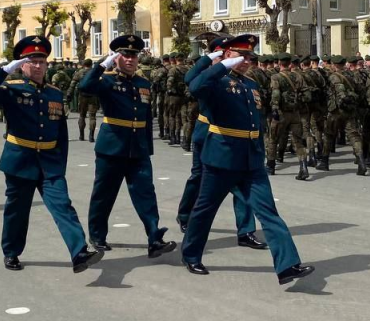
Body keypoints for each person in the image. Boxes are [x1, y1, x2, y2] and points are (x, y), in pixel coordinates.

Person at [179, 35, 314, 286]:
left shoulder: (251, 85)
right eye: (240, 56)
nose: (246, 61)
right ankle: (190, 255)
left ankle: (287, 265)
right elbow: (193, 85)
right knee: (204, 211)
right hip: (221, 158)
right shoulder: (215, 81)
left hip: (251, 161)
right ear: (226, 55)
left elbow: (255, 123)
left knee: (269, 213)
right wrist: (217, 63)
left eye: (249, 57)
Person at [0, 35, 102, 273]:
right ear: (22, 65)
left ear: (47, 64)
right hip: (20, 160)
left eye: (41, 61)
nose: (37, 65)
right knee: (17, 211)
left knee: (63, 205)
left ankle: (79, 252)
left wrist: (60, 165)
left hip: (50, 162)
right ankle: (11, 252)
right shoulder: (11, 89)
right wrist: (3, 71)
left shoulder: (55, 93)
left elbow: (61, 133)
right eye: (31, 61)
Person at [78, 34, 176, 258]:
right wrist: (102, 65)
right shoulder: (107, 80)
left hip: (138, 149)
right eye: (125, 54)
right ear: (116, 57)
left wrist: (147, 147)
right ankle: (97, 235)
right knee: (104, 194)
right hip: (112, 147)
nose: (130, 59)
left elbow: (146, 118)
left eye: (134, 55)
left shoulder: (143, 83)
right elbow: (85, 87)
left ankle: (154, 238)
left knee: (146, 194)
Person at [176, 36, 264, 249]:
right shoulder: (210, 75)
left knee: (242, 186)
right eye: (223, 51)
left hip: (234, 139)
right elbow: (190, 80)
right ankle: (186, 215)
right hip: (207, 133)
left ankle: (245, 230)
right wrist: (209, 60)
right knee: (199, 179)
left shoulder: (240, 80)